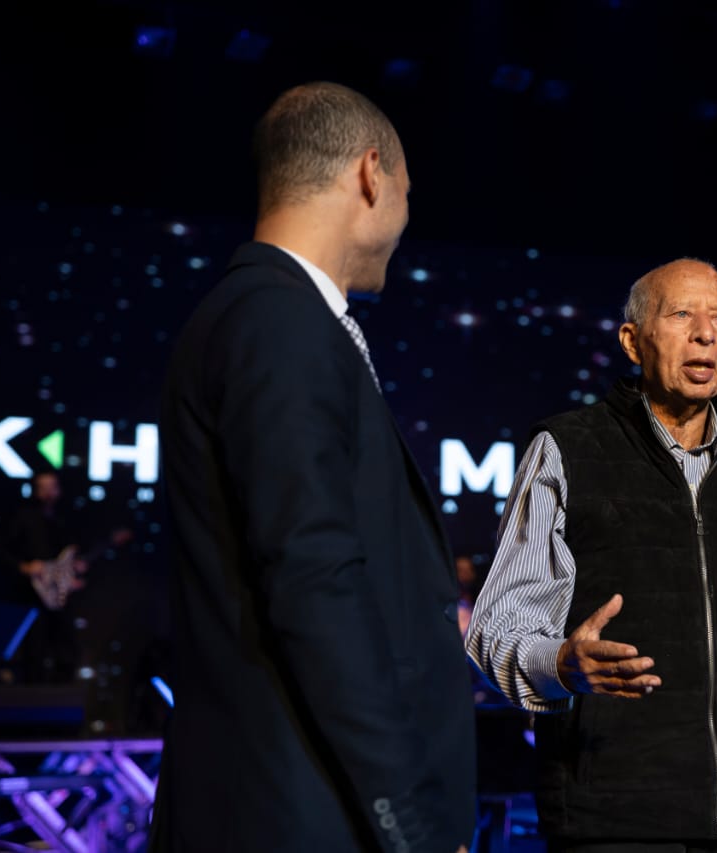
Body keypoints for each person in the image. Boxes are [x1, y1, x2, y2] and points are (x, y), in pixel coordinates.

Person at [150, 81, 476, 853]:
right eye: (407, 192)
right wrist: (414, 827)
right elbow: (314, 579)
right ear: (371, 173)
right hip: (304, 814)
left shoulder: (265, 313)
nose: (405, 219)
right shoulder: (280, 319)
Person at [465, 257, 717, 852]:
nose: (704, 333)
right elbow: (497, 629)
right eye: (681, 314)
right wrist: (562, 664)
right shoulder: (566, 450)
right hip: (615, 816)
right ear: (632, 341)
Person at [0, 471, 85, 683]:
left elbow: (72, 554)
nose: (48, 492)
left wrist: (74, 570)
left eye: (52, 486)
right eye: (43, 487)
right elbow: (2, 552)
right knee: (35, 646)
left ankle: (61, 693)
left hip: (59, 592)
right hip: (31, 591)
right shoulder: (22, 517)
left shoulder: (64, 519)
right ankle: (33, 692)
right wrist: (23, 566)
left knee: (66, 646)